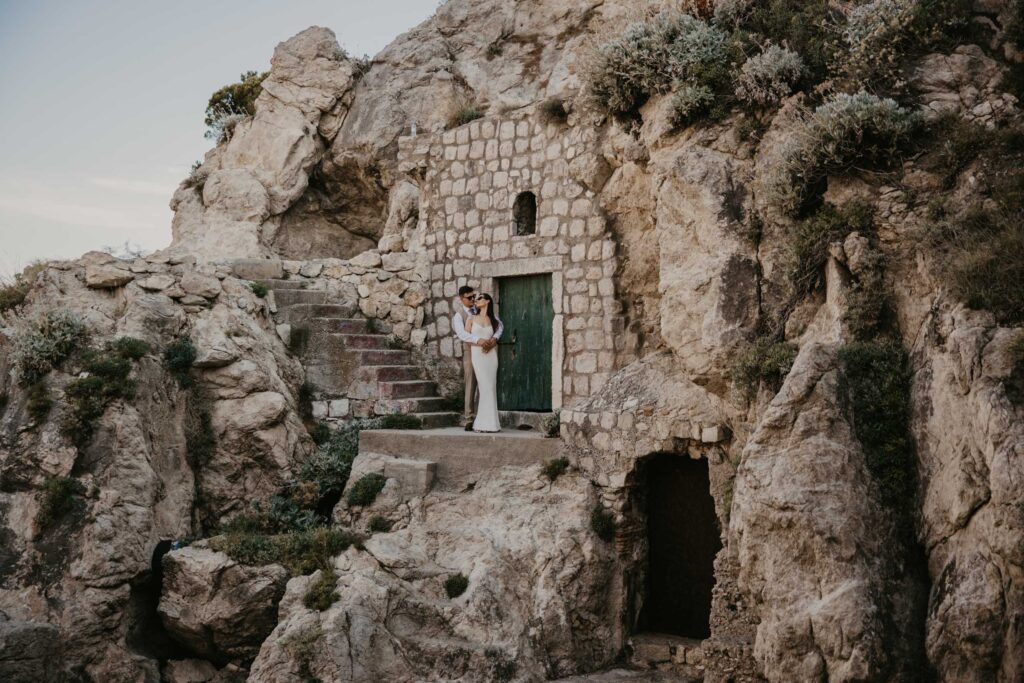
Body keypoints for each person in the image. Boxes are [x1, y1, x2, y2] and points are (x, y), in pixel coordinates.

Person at [452, 285, 503, 429]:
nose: (473, 299)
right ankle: (469, 418)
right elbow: (463, 335)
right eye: (470, 298)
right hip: (471, 351)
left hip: (488, 351)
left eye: (474, 296)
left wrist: (493, 339)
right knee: (471, 382)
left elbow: (499, 326)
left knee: (486, 384)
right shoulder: (459, 315)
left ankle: (484, 417)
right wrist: (479, 342)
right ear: (461, 299)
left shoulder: (483, 313)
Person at [466, 293, 500, 432]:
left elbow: (496, 336)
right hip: (478, 355)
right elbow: (467, 339)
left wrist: (491, 344)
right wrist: (481, 346)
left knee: (490, 387)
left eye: (479, 298)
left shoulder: (493, 320)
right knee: (483, 386)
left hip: (491, 356)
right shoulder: (471, 318)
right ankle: (481, 423)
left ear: (487, 301)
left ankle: (491, 424)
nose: (476, 300)